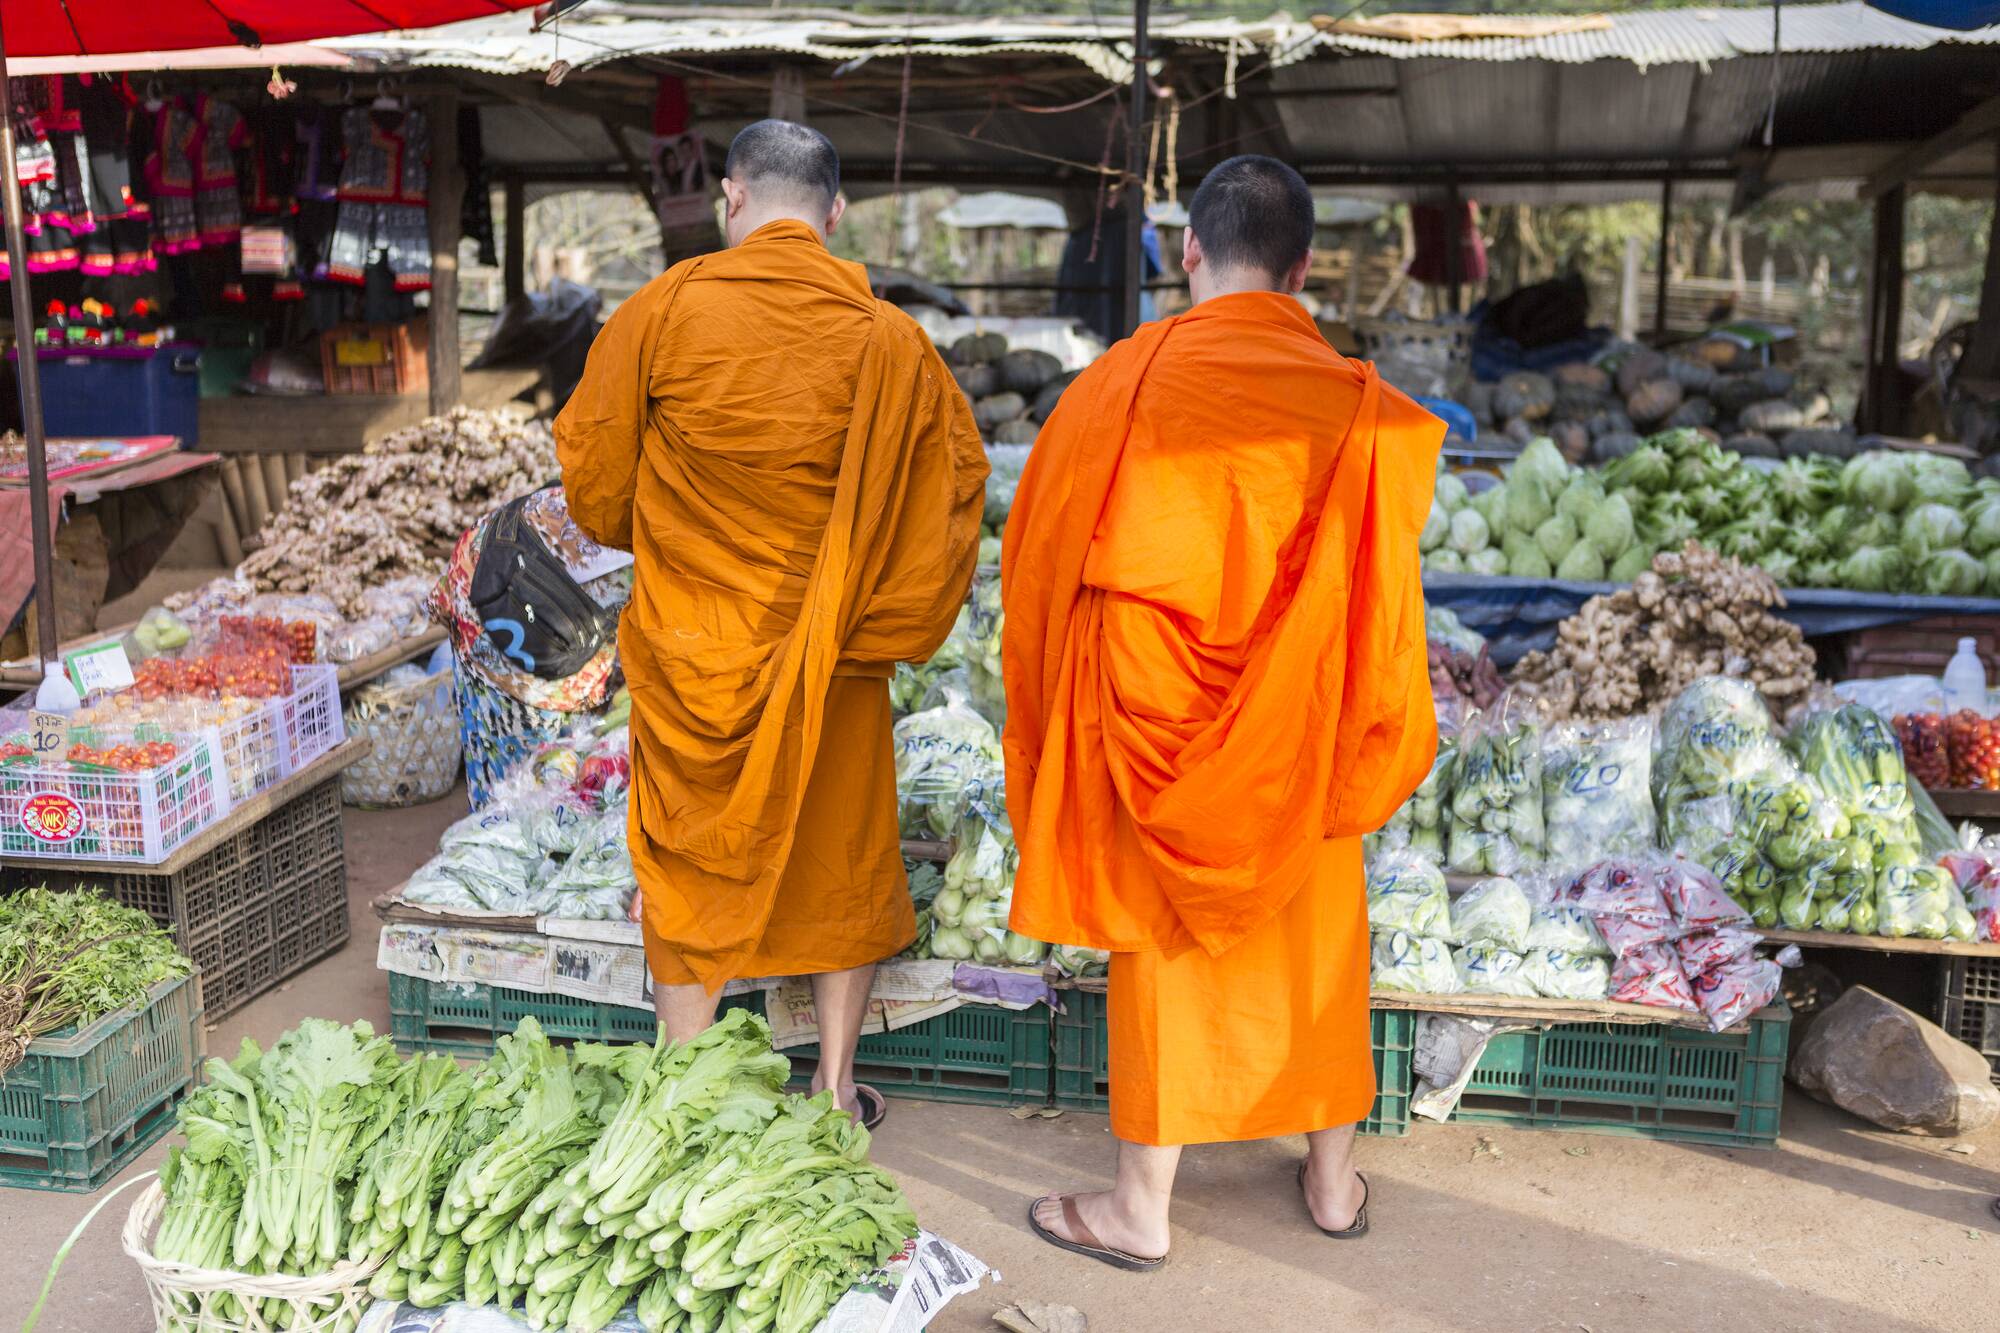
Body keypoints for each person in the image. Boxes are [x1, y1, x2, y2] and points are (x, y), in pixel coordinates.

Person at [1001, 154, 1443, 1267]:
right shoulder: (1355, 407)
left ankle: (1140, 1207)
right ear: (1300, 268)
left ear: (1186, 251)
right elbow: (1383, 602)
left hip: (1156, 725)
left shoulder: (1117, 384)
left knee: (1166, 943)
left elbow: (1037, 560)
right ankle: (1332, 1177)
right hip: (1299, 729)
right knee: (1315, 936)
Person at [555, 119, 989, 1129]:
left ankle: (684, 1087)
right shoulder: (889, 341)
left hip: (695, 645)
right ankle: (834, 1088)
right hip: (833, 652)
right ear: (834, 216)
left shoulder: (662, 311)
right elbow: (953, 488)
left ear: (731, 199)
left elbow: (593, 476)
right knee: (841, 858)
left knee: (690, 856)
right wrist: (866, 607)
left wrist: (671, 538)